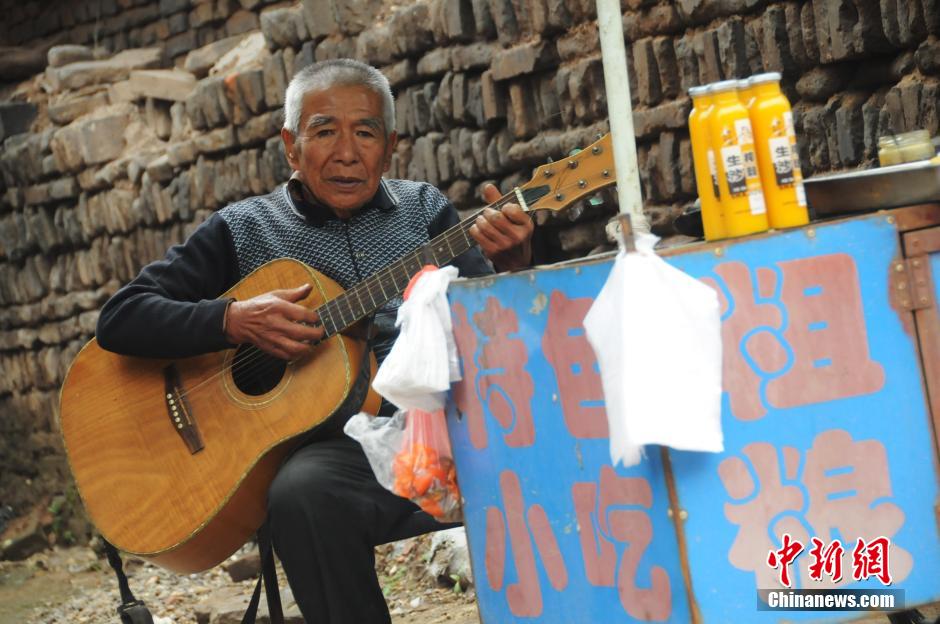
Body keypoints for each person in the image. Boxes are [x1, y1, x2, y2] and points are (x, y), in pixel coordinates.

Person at [95, 58, 534, 623]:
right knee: (301, 492)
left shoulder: (426, 212)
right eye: (324, 131)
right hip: (343, 458)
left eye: (366, 132)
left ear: (391, 144)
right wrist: (229, 320)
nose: (346, 151)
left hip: (445, 430)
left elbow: (499, 326)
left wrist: (514, 264)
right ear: (291, 146)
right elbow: (121, 318)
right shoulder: (244, 229)